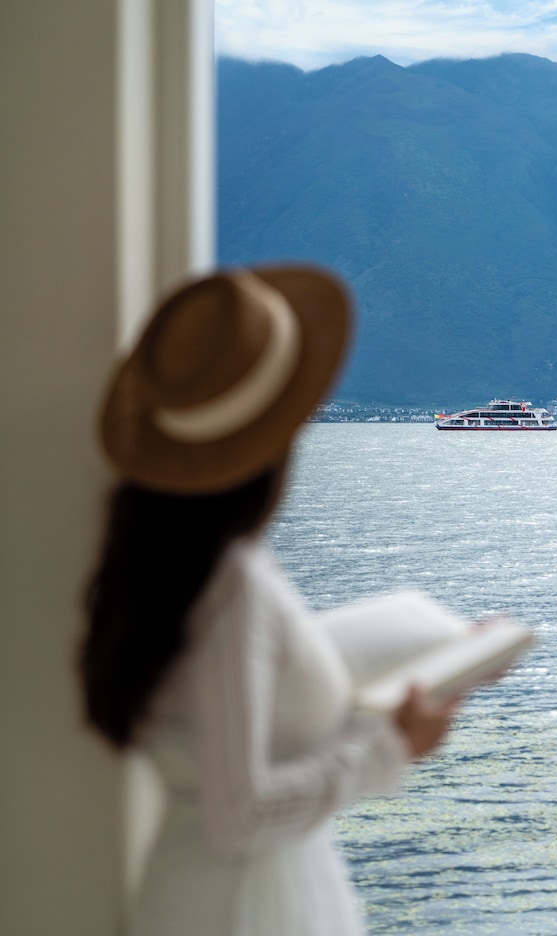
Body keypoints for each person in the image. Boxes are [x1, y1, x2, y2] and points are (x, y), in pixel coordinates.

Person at [79, 263, 461, 936]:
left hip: (197, 896)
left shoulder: (164, 566)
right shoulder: (234, 586)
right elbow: (241, 817)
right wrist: (390, 745)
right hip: (251, 908)